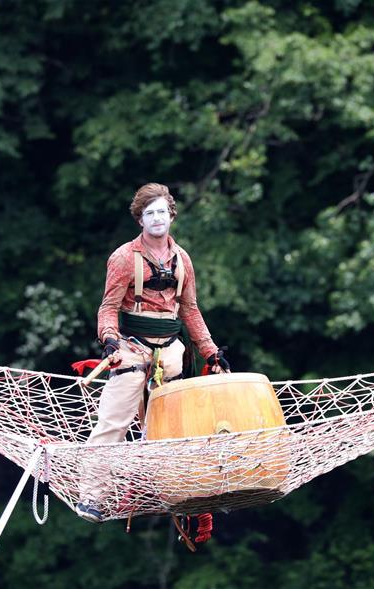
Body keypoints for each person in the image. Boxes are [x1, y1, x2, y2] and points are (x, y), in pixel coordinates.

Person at [75, 182, 230, 522]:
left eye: (162, 212)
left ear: (171, 216)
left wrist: (211, 352)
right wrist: (110, 339)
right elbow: (108, 307)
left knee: (176, 426)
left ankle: (180, 490)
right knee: (113, 422)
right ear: (140, 220)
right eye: (150, 214)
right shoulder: (122, 258)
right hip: (131, 350)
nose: (157, 219)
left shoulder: (182, 260)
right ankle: (92, 496)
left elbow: (190, 310)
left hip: (171, 353)